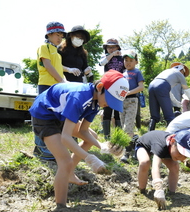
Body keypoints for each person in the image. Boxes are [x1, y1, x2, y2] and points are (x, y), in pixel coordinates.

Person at [29, 70, 129, 209]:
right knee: (65, 161)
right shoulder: (80, 97)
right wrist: (90, 159)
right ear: (100, 87)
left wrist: (102, 146)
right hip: (44, 114)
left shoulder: (95, 103)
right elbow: (65, 138)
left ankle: (69, 173)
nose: (109, 104)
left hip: (60, 114)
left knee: (92, 136)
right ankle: (61, 206)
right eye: (110, 99)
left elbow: (83, 130)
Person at [135, 128, 190, 210]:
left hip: (166, 151)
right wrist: (159, 189)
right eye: (180, 152)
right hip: (144, 146)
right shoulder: (160, 145)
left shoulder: (173, 148)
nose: (181, 157)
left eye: (185, 155)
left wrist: (185, 161)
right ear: (172, 142)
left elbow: (178, 155)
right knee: (145, 162)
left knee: (175, 166)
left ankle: (172, 193)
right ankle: (142, 190)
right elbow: (155, 167)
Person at [33, 21, 67, 161]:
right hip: (46, 85)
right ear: (49, 34)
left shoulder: (57, 53)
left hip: (57, 88)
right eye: (57, 35)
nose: (60, 38)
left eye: (61, 35)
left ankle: (51, 149)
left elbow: (58, 69)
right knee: (42, 117)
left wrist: (65, 82)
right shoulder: (44, 47)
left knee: (55, 118)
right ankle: (40, 149)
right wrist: (62, 81)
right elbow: (48, 66)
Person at [148, 62, 190, 131]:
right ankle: (170, 137)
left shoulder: (167, 71)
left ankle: (149, 134)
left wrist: (178, 103)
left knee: (154, 117)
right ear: (182, 70)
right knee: (169, 116)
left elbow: (168, 92)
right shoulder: (179, 74)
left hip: (151, 85)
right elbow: (188, 92)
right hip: (162, 87)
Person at [120, 51, 145, 162]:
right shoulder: (123, 73)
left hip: (132, 101)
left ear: (136, 62)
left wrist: (128, 93)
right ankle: (135, 142)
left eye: (131, 60)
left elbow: (141, 87)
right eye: (126, 60)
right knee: (123, 126)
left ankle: (127, 153)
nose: (128, 63)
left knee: (128, 127)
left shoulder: (137, 72)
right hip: (121, 101)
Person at [99, 38, 126, 139]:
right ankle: (107, 136)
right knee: (107, 110)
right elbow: (101, 63)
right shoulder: (106, 57)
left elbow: (126, 70)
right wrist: (112, 55)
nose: (111, 49)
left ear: (117, 47)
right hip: (108, 85)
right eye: (109, 47)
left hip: (119, 86)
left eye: (113, 47)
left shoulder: (122, 58)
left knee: (118, 110)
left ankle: (118, 135)